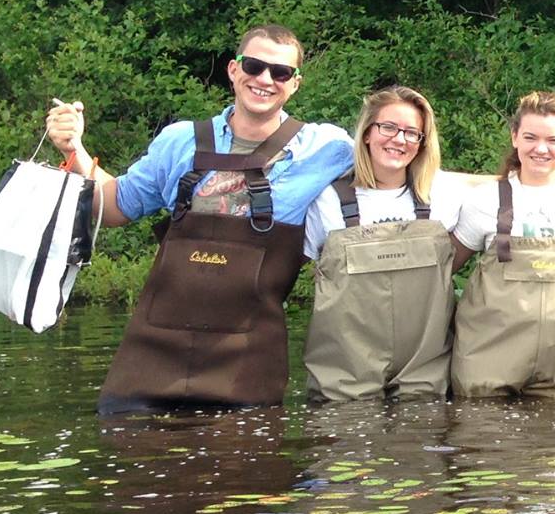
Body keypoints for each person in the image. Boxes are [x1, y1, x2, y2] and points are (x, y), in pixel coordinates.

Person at [43, 24, 355, 410]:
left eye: (280, 72)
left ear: (295, 84)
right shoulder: (179, 140)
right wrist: (74, 150)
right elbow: (116, 205)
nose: (265, 79)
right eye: (254, 66)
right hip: (154, 352)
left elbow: (393, 160)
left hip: (248, 359)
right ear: (233, 70)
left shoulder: (328, 148)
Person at [447, 91, 555, 398]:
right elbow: (445, 269)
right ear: (514, 137)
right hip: (487, 364)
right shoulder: (485, 198)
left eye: (553, 140)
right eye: (530, 137)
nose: (541, 148)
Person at [301, 85, 460, 404]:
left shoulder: (444, 194)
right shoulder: (326, 200)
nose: (399, 140)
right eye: (388, 127)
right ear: (366, 133)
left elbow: (519, 186)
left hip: (424, 371)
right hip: (344, 372)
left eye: (412, 133)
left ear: (421, 143)